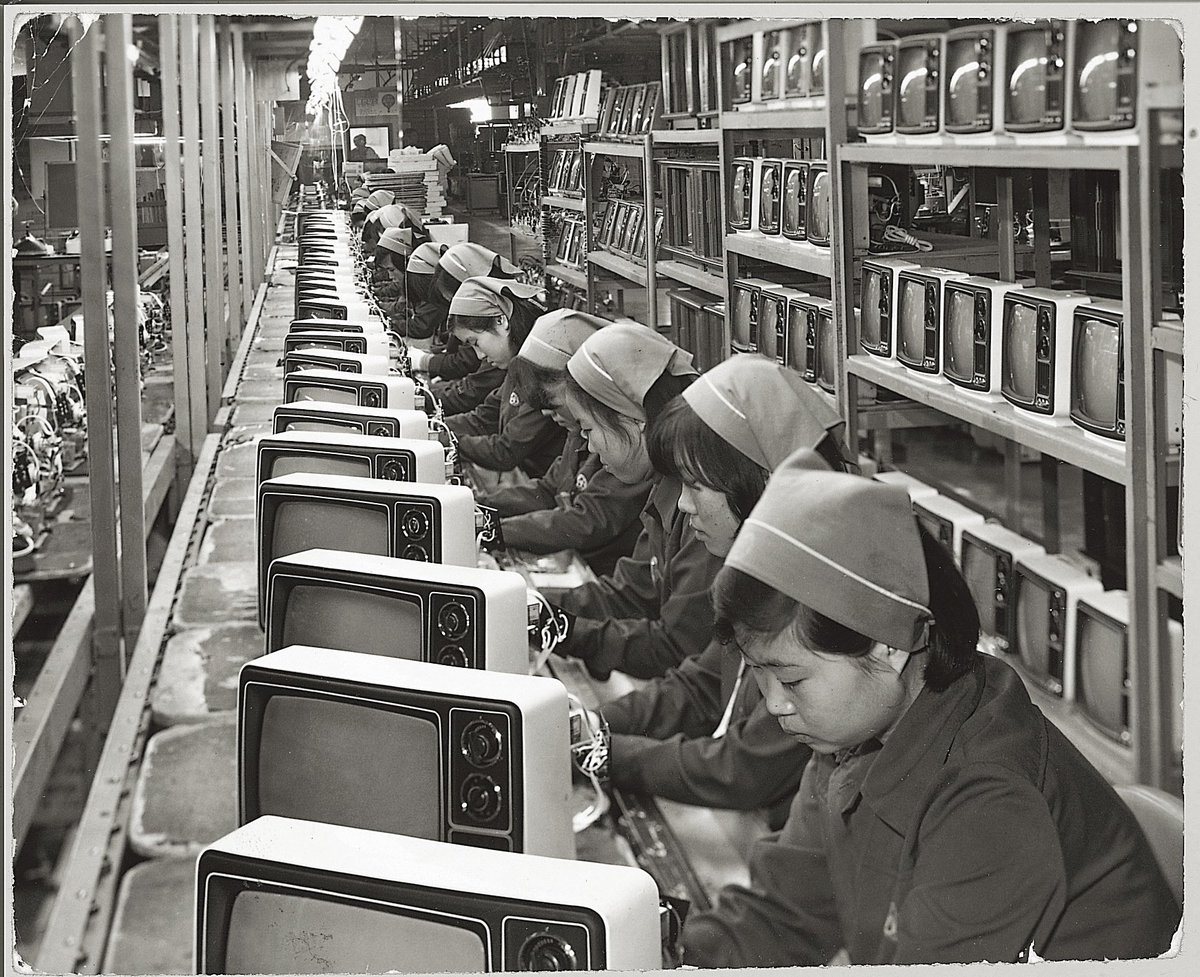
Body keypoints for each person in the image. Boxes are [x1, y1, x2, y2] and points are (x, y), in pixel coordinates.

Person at [679, 448, 1182, 967]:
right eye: (758, 673)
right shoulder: (854, 736)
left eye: (790, 678)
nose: (774, 703)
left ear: (887, 646)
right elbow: (787, 915)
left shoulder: (989, 803)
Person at [597, 356, 849, 825]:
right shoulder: (761, 568)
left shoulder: (822, 597)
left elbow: (748, 767)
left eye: (695, 487)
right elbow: (704, 685)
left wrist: (610, 755)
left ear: (762, 481)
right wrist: (598, 725)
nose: (684, 505)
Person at [540, 321, 723, 681]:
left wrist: (567, 632)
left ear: (635, 418)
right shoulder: (665, 486)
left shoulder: (705, 513)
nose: (590, 447)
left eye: (589, 430)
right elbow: (633, 592)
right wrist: (539, 607)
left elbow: (676, 646)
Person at [483, 309, 651, 576]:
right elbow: (550, 489)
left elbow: (589, 521)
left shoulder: (628, 450)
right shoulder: (578, 434)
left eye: (553, 404)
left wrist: (494, 530)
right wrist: (481, 509)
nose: (546, 414)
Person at [443, 277, 567, 480]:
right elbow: (484, 418)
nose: (479, 356)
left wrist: (447, 440)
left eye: (476, 343)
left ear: (501, 321)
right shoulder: (516, 366)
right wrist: (434, 428)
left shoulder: (541, 371)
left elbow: (507, 450)